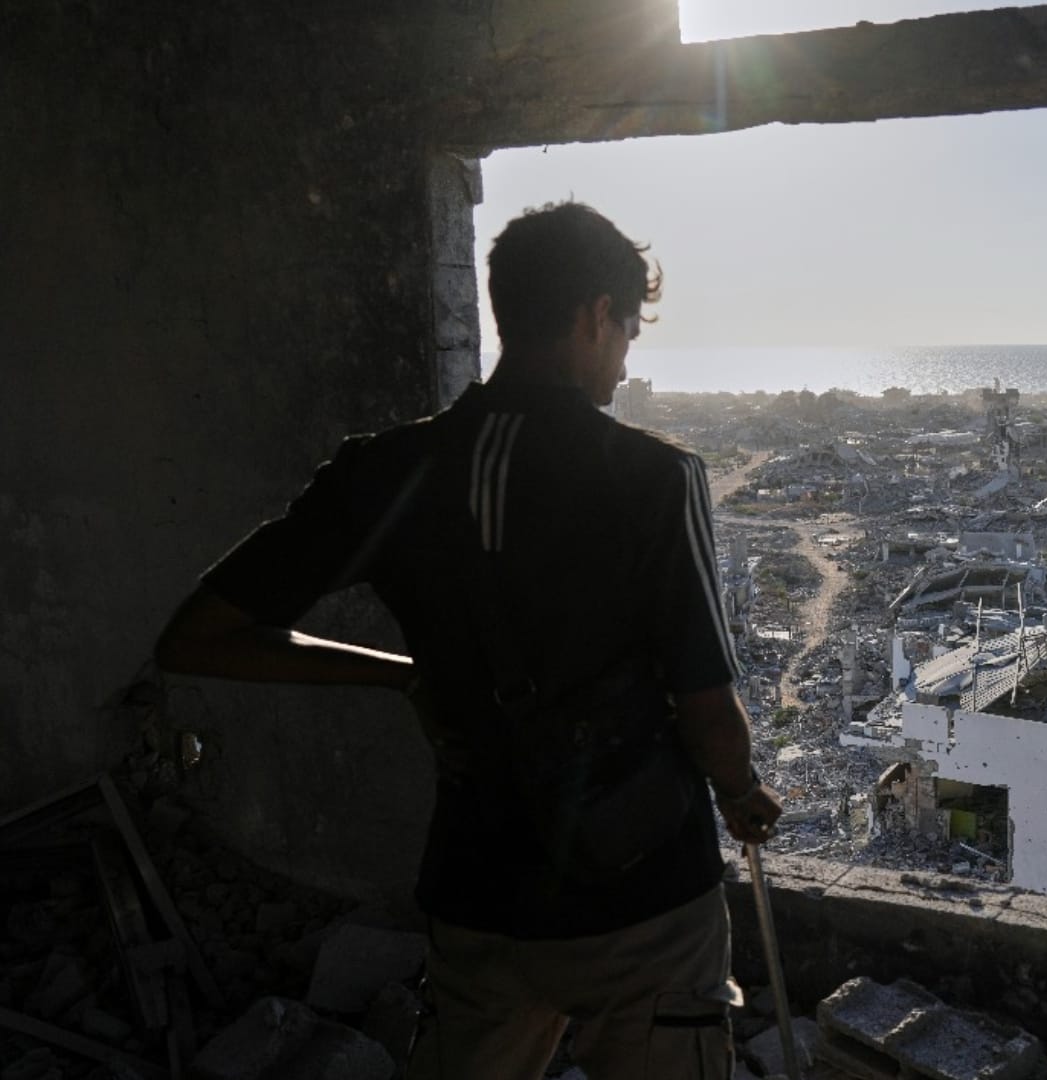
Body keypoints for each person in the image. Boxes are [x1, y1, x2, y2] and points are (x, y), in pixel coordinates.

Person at [154, 201, 781, 1079]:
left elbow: (201, 636)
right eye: (628, 330)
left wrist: (400, 675)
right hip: (640, 896)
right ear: (595, 314)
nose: (627, 355)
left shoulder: (384, 470)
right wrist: (742, 790)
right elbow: (708, 707)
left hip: (478, 892)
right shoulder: (653, 478)